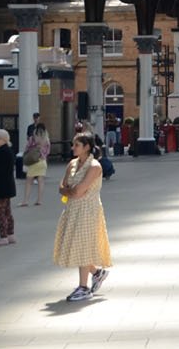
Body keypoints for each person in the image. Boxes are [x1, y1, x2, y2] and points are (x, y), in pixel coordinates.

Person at [53, 132, 112, 302]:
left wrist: (71, 191)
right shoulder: (72, 164)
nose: (73, 148)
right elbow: (62, 186)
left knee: (83, 245)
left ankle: (83, 287)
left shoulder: (94, 166)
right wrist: (70, 191)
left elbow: (79, 191)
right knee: (77, 244)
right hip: (72, 209)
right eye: (73, 144)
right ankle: (97, 273)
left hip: (88, 210)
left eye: (77, 145)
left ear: (87, 147)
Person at [22, 123, 50, 205]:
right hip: (42, 161)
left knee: (28, 181)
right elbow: (48, 152)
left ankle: (25, 201)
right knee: (40, 181)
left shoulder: (32, 138)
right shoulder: (47, 140)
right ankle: (39, 200)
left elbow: (27, 149)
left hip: (34, 162)